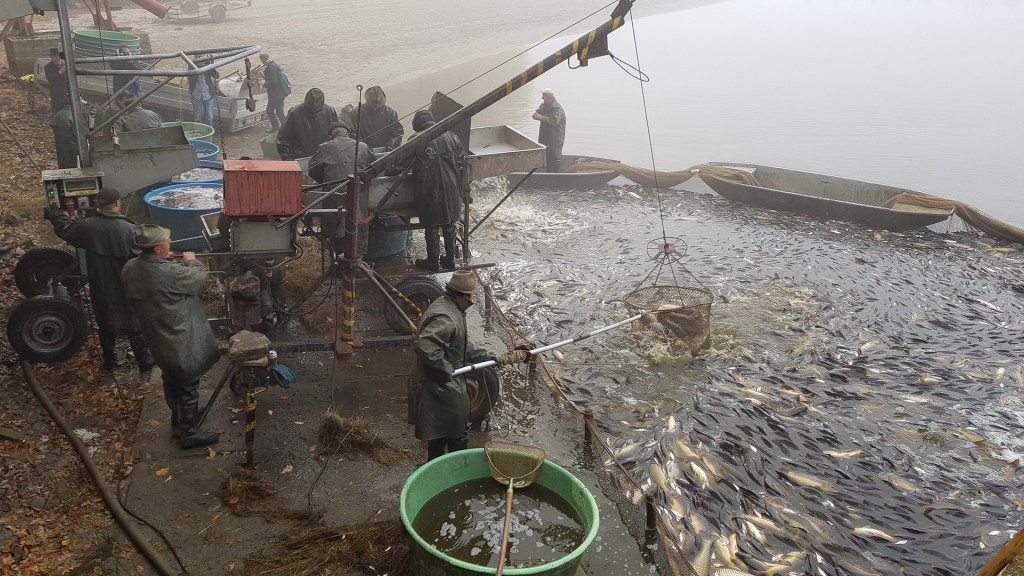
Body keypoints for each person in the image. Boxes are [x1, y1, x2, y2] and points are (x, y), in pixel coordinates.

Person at [407, 271, 530, 461]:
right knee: (456, 428)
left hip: (439, 378)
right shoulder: (447, 317)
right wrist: (445, 369)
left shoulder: (450, 305)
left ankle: (437, 463)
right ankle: (454, 466)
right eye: (472, 295)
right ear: (463, 296)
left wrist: (484, 357)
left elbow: (458, 345)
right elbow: (426, 346)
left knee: (441, 430)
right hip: (436, 380)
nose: (474, 298)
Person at [121, 224, 221, 449]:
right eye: (167, 241)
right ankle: (188, 432)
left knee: (171, 376)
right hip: (176, 333)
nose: (171, 243)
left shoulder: (130, 267)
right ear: (157, 249)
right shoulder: (168, 272)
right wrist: (192, 262)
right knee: (187, 380)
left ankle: (180, 418)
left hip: (154, 333)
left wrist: (167, 260)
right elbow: (197, 279)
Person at [43, 187, 154, 372]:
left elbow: (66, 229)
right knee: (133, 320)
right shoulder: (129, 229)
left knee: (104, 320)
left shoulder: (87, 226)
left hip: (100, 282)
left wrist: (56, 215)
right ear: (118, 203)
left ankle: (109, 362)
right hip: (126, 283)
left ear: (97, 204)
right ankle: (143, 361)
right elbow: (142, 257)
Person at [408, 110, 466, 271]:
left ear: (417, 125)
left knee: (432, 226)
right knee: (449, 225)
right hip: (452, 189)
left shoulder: (415, 140)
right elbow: (462, 161)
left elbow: (401, 165)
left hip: (430, 190)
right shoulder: (452, 136)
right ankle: (450, 260)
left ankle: (432, 261)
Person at [308, 120, 375, 250]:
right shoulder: (363, 147)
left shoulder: (324, 148)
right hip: (358, 198)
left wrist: (327, 181)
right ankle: (358, 259)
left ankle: (338, 259)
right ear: (348, 133)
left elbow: (313, 172)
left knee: (337, 232)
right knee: (357, 228)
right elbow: (375, 169)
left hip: (334, 197)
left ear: (330, 135)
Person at [276, 87, 339, 161]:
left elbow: (338, 135)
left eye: (317, 109)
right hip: (300, 158)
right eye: (311, 109)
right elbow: (283, 140)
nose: (314, 111)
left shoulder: (330, 111)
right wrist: (289, 160)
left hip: (324, 158)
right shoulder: (294, 113)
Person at [356, 85, 403, 151]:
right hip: (365, 152)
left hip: (386, 150)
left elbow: (397, 132)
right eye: (373, 106)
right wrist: (365, 150)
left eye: (379, 105)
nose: (376, 108)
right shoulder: (356, 113)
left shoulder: (391, 112)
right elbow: (354, 135)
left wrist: (390, 147)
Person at [532, 88, 566, 172]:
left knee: (554, 156)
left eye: (543, 97)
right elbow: (538, 112)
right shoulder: (543, 105)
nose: (542, 98)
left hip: (555, 137)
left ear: (549, 97)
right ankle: (548, 172)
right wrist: (535, 115)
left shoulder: (557, 108)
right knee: (545, 154)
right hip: (545, 135)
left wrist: (541, 117)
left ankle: (555, 174)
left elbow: (554, 121)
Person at [188, 56, 220, 126]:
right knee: (197, 118)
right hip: (196, 95)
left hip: (208, 95)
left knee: (209, 117)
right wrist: (197, 67)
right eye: (199, 61)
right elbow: (189, 74)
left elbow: (216, 76)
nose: (202, 63)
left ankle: (209, 133)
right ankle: (198, 133)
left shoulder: (207, 68)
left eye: (202, 61)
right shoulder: (193, 68)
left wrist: (212, 66)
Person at [259, 53, 287, 133]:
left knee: (271, 111)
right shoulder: (274, 65)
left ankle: (278, 128)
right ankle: (283, 128)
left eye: (262, 60)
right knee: (279, 112)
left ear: (264, 59)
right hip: (280, 93)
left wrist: (265, 84)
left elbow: (274, 82)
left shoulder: (271, 68)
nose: (262, 62)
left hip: (275, 95)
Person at [50, 96, 79, 169]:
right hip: (72, 152)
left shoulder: (59, 115)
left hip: (61, 151)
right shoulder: (73, 117)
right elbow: (80, 134)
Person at [43, 48, 68, 115]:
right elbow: (51, 79)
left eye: (57, 57)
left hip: (65, 90)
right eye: (54, 57)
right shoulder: (47, 67)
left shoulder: (63, 65)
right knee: (57, 108)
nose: (56, 59)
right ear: (51, 58)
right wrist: (60, 72)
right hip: (55, 91)